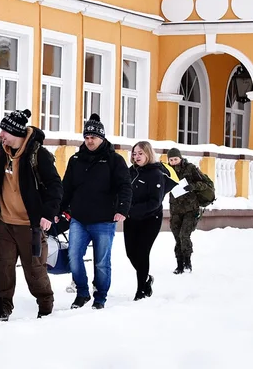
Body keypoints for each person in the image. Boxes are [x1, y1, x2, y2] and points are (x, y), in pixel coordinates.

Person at [0, 109, 62, 322]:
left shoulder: (38, 155)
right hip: (4, 222)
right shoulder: (1, 152)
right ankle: (2, 308)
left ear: (15, 132)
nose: (1, 134)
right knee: (3, 267)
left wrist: (47, 214)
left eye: (4, 131)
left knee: (34, 270)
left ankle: (45, 306)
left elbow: (55, 186)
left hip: (29, 225)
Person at [59, 114, 132, 310]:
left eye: (93, 137)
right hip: (79, 219)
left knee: (101, 262)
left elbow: (125, 186)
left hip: (104, 220)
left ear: (102, 138)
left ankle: (100, 297)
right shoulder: (76, 160)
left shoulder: (114, 160)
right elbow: (67, 188)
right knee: (74, 257)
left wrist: (122, 209)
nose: (90, 141)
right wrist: (58, 210)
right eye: (87, 137)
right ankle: (82, 293)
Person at [124, 141, 177, 300]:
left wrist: (131, 210)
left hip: (150, 219)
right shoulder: (130, 172)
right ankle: (146, 278)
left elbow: (155, 202)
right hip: (131, 219)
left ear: (148, 154)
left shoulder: (155, 174)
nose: (137, 156)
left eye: (140, 153)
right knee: (130, 253)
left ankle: (141, 289)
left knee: (142, 252)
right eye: (134, 153)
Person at [166, 148, 214, 274]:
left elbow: (204, 183)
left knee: (184, 235)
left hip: (191, 209)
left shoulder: (191, 168)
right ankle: (179, 265)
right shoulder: (167, 171)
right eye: (171, 160)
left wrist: (192, 186)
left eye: (175, 159)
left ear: (180, 158)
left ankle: (187, 262)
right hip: (175, 209)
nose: (173, 162)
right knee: (177, 237)